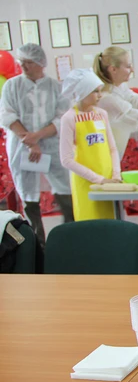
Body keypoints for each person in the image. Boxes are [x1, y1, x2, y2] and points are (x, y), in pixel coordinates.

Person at [0, 44, 73, 244]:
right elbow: (7, 115)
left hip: (52, 147)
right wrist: (30, 142)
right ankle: (38, 242)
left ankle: (69, 235)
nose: (23, 66)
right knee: (28, 193)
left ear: (41, 63)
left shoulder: (56, 87)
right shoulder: (12, 86)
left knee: (64, 189)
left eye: (29, 62)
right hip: (22, 148)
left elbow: (62, 118)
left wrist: (38, 136)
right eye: (21, 62)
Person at [59, 69, 122, 220]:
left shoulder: (102, 114)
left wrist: (116, 175)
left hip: (109, 181)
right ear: (83, 92)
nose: (100, 95)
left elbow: (112, 149)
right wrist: (98, 179)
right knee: (90, 223)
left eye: (100, 91)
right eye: (95, 91)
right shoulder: (69, 118)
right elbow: (66, 160)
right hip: (85, 183)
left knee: (111, 223)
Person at [93, 46, 138, 160]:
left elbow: (135, 101)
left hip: (112, 157)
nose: (132, 70)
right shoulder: (107, 99)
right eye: (128, 66)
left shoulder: (118, 87)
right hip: (102, 159)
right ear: (113, 69)